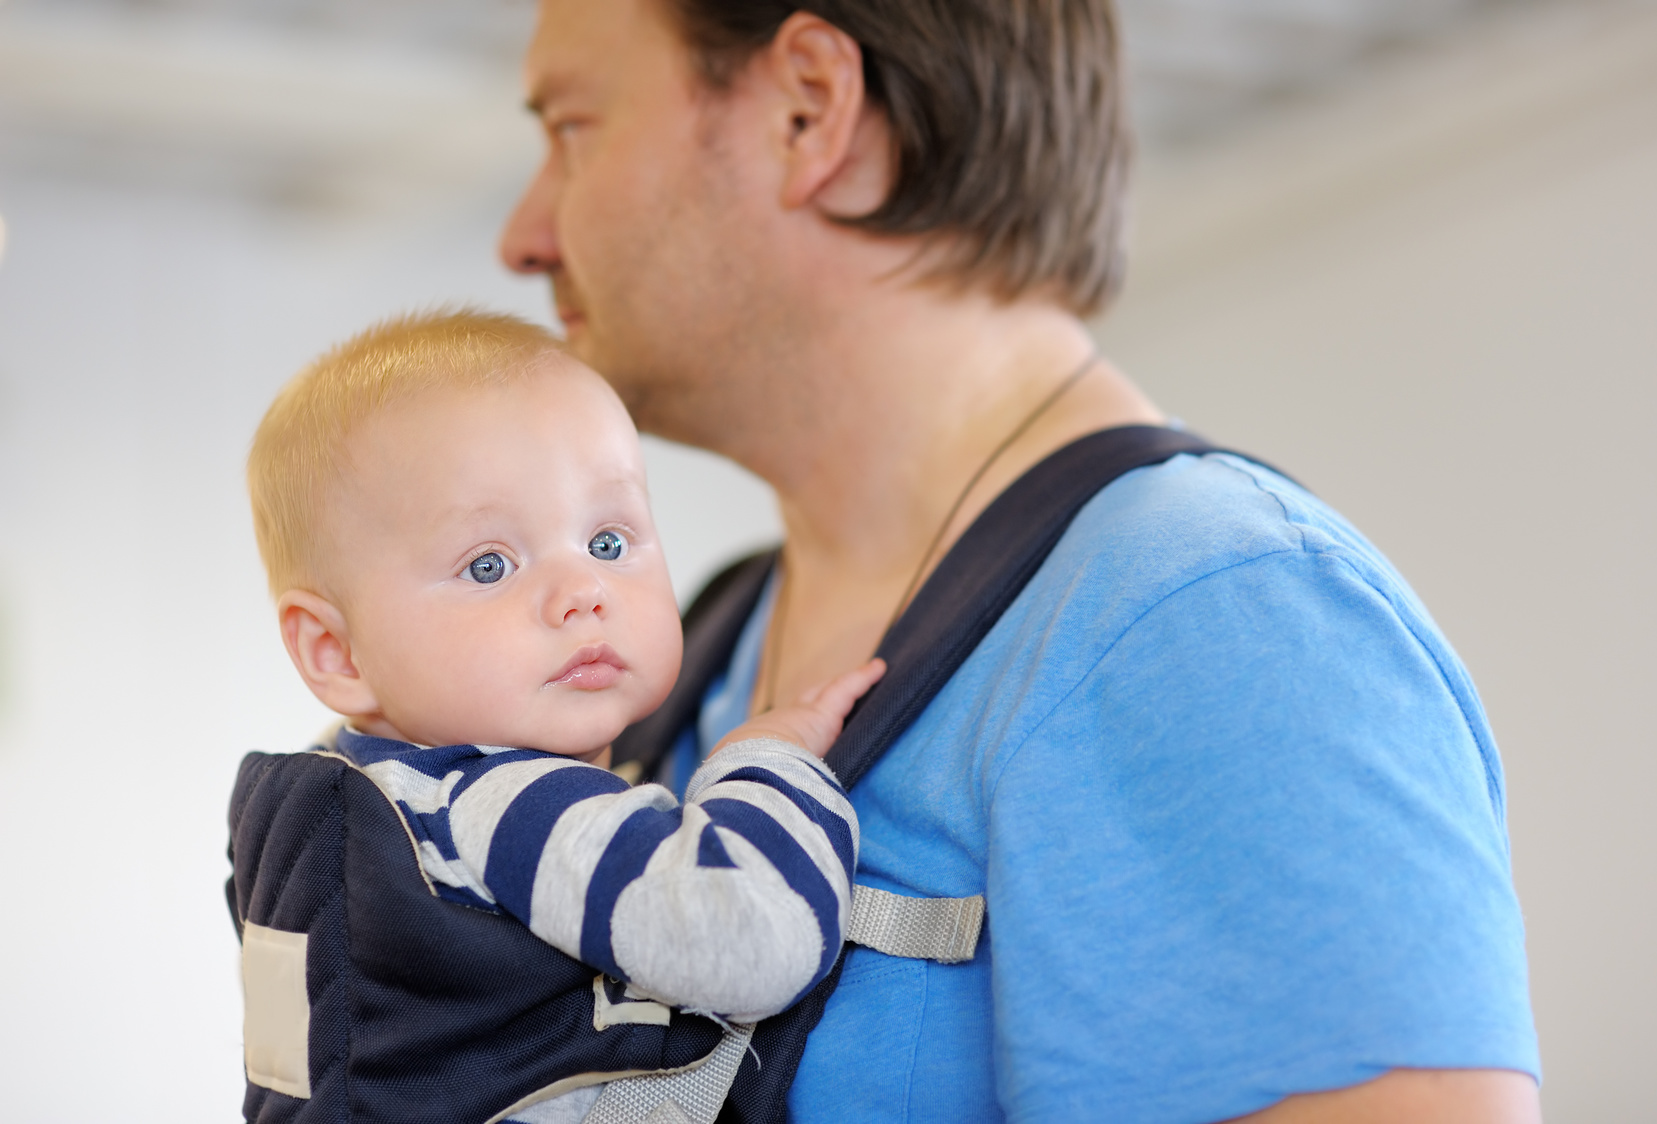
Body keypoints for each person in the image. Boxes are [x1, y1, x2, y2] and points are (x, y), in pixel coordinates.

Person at [498, 2, 1542, 1121]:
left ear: (809, 111)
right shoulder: (693, 644)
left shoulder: (1213, 615)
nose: (523, 234)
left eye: (570, 128)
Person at [239, 310, 883, 1121]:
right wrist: (766, 757)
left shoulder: (361, 808)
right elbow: (757, 938)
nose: (583, 591)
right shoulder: (496, 804)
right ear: (338, 652)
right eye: (489, 565)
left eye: (609, 542)